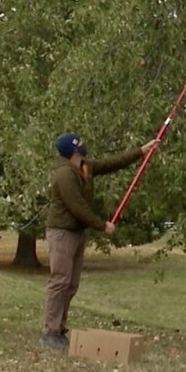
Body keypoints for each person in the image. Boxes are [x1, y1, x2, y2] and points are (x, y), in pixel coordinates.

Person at [40, 132, 159, 349]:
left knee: (71, 284)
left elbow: (112, 163)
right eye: (80, 145)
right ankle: (49, 332)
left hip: (76, 233)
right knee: (60, 281)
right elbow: (77, 207)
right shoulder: (65, 175)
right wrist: (102, 225)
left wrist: (141, 151)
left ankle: (59, 328)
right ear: (72, 151)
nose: (84, 147)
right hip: (62, 233)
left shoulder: (84, 167)